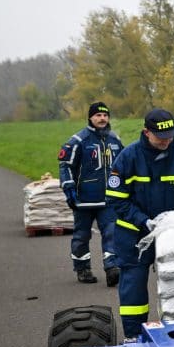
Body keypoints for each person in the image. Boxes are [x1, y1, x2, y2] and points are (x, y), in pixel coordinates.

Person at [106, 108, 174, 337]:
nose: (167, 141)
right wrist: (144, 221)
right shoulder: (128, 157)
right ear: (146, 132)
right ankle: (133, 336)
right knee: (134, 289)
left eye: (170, 136)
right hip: (135, 236)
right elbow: (116, 200)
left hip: (172, 234)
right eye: (161, 136)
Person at [58, 101, 124, 286]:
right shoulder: (78, 141)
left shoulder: (115, 140)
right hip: (83, 200)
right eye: (98, 115)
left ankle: (112, 268)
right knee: (81, 235)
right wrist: (69, 188)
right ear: (90, 118)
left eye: (105, 115)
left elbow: (124, 166)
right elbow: (65, 165)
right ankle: (82, 268)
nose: (102, 118)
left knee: (112, 232)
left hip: (108, 199)